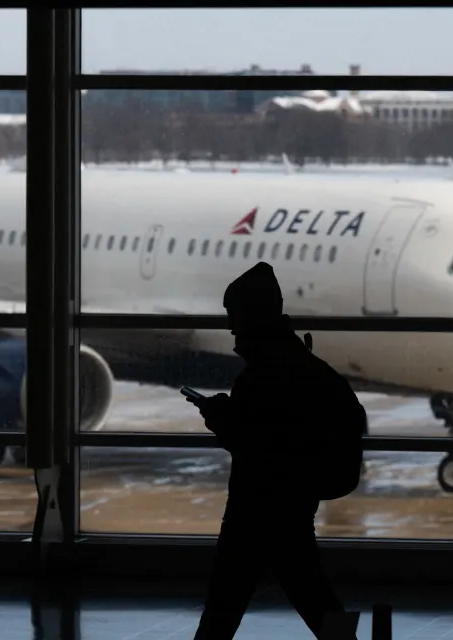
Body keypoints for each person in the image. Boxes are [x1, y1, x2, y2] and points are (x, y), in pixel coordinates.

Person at [188, 261, 348, 640]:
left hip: (256, 509)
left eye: (234, 315)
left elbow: (255, 442)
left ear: (250, 315)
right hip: (292, 505)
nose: (231, 326)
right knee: (318, 598)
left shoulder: (263, 375)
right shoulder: (304, 366)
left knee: (222, 608)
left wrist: (219, 417)